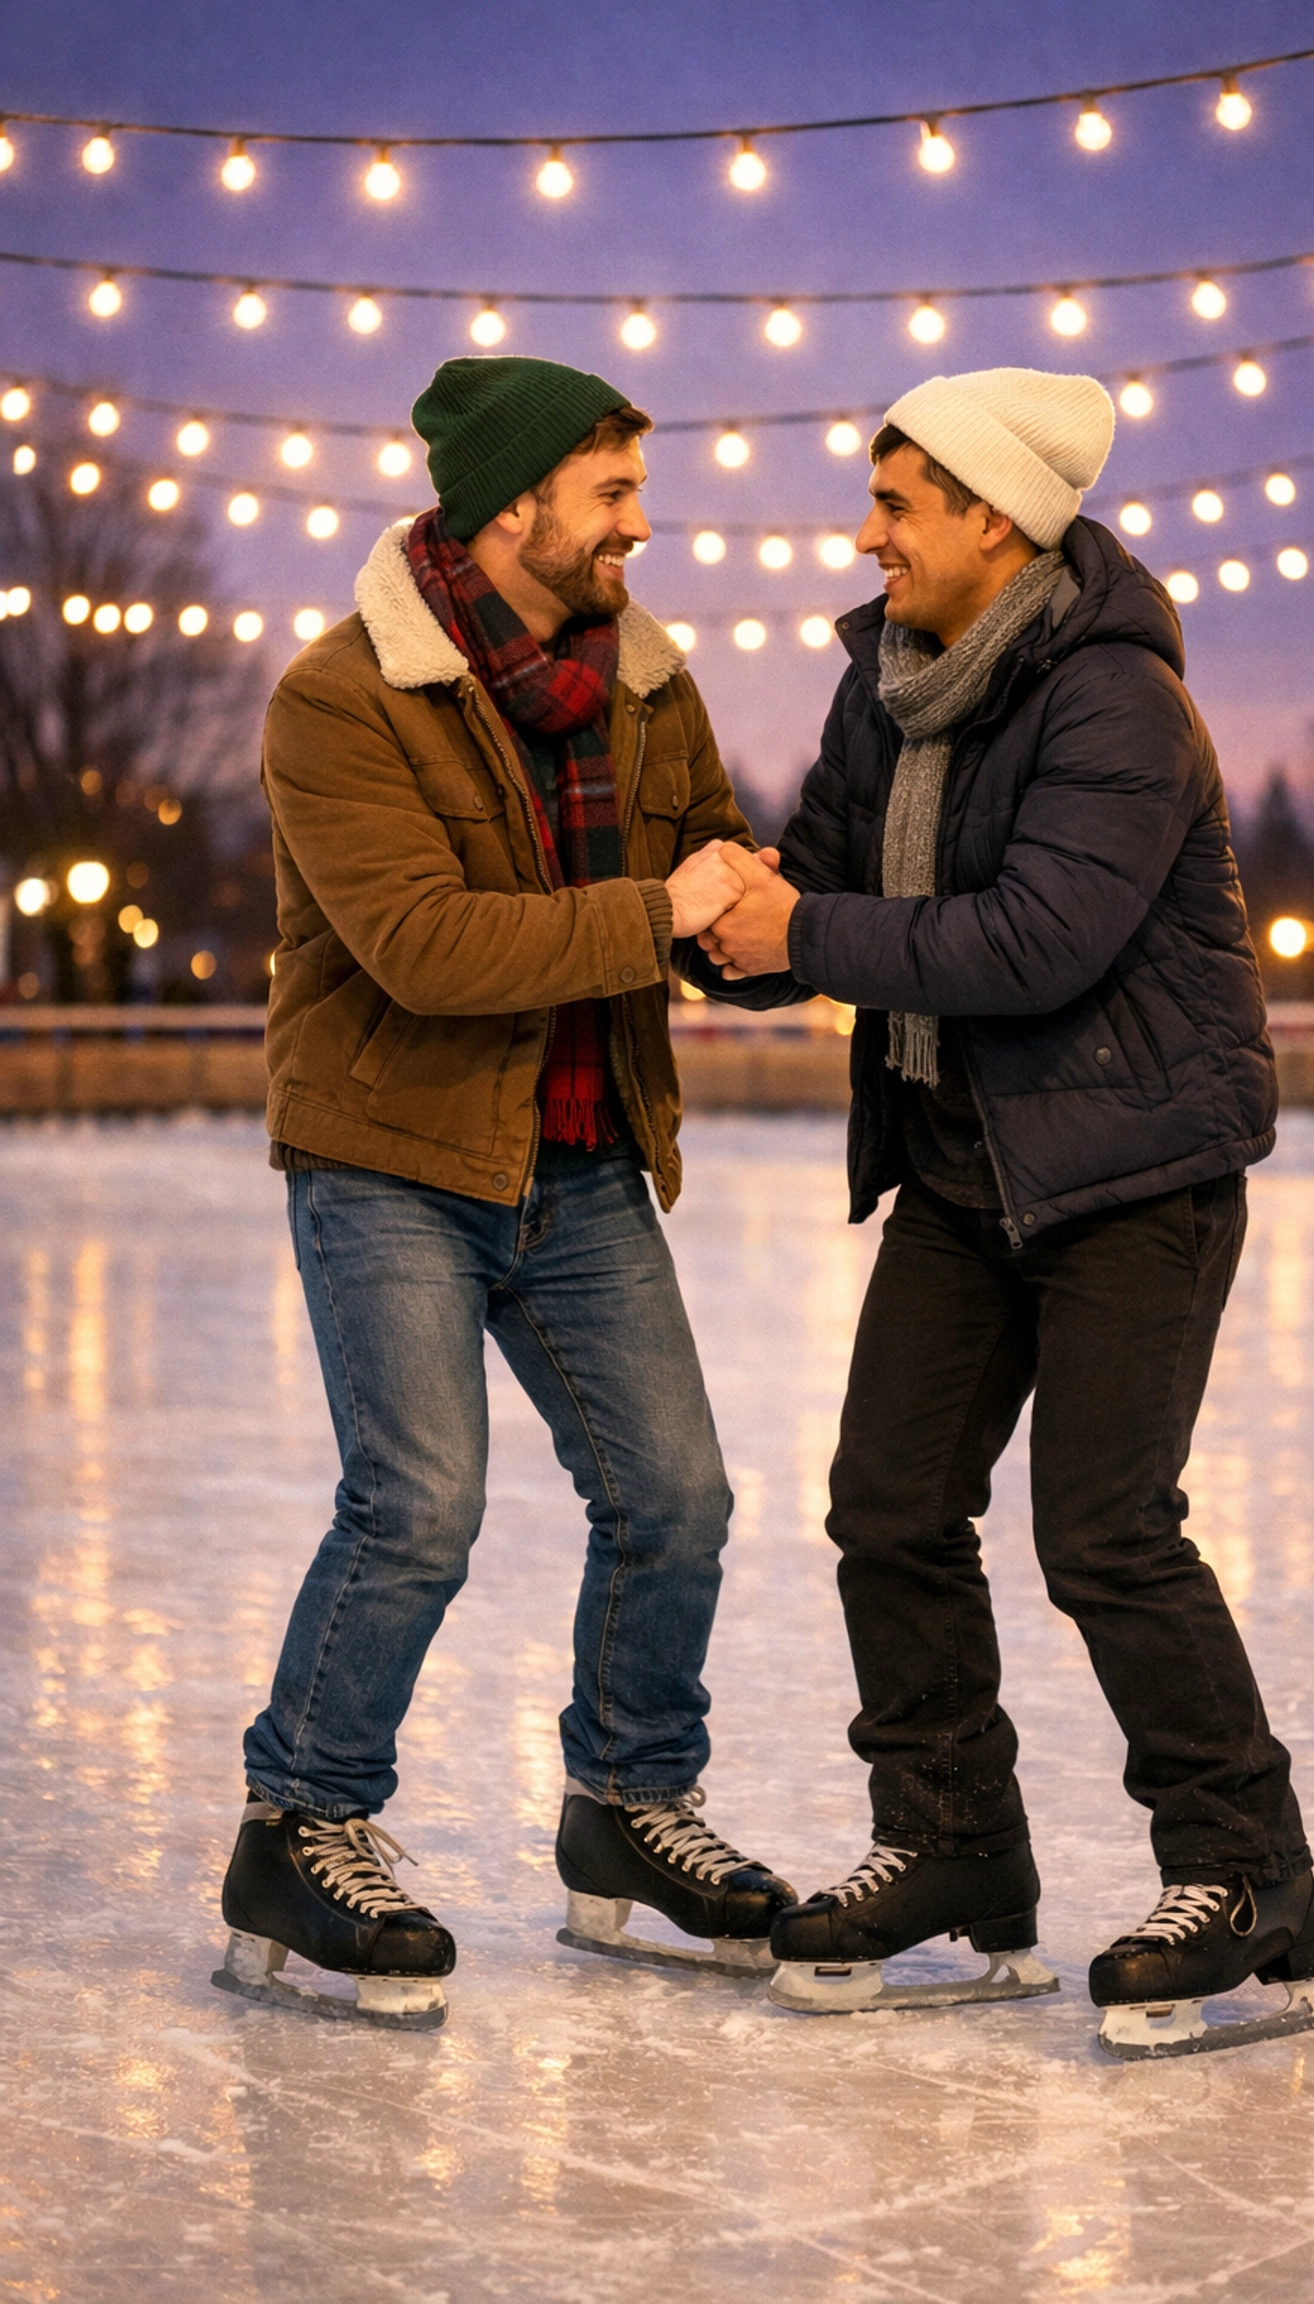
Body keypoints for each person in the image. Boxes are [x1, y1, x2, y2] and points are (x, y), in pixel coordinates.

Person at [693, 367, 1314, 2058]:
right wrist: (707, 911)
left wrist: (800, 936)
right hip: (965, 1162)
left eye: (899, 503)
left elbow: (1032, 943)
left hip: (1136, 1168)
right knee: (889, 1505)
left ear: (996, 515)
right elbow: (818, 895)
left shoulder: (1119, 699)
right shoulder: (888, 682)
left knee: (1106, 1532)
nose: (868, 534)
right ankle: (958, 1846)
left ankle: (1247, 1877)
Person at [214, 356, 795, 2032]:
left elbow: (708, 888)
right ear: (515, 502)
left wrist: (782, 920)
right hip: (392, 1156)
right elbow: (423, 945)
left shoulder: (647, 686)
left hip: (584, 1151)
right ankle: (299, 1823)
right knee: (418, 1507)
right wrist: (665, 909)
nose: (640, 520)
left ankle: (626, 1810)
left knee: (676, 1495)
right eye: (611, 491)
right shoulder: (340, 697)